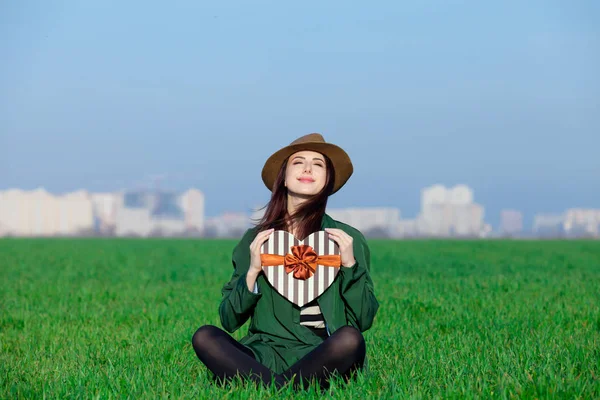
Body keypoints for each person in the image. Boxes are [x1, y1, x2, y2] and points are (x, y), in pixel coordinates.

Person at [191, 133, 379, 390]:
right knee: (205, 336)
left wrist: (349, 266)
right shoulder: (256, 240)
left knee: (350, 339)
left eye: (319, 164)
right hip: (265, 354)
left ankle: (267, 388)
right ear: (284, 177)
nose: (308, 168)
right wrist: (253, 271)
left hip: (322, 353)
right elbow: (228, 319)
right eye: (298, 162)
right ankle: (287, 388)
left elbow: (365, 319)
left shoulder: (347, 239)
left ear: (327, 179)